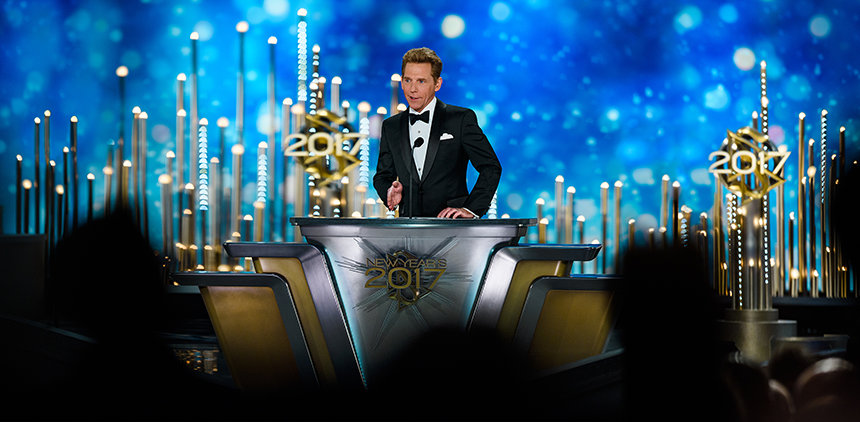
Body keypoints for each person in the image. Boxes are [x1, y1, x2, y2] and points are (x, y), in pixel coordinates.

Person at [373, 47, 502, 218]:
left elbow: (491, 167)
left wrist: (471, 209)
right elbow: (382, 176)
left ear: (437, 84)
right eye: (408, 80)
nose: (412, 89)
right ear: (402, 82)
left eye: (421, 81)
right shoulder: (391, 126)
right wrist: (389, 191)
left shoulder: (460, 119)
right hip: (408, 226)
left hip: (452, 225)